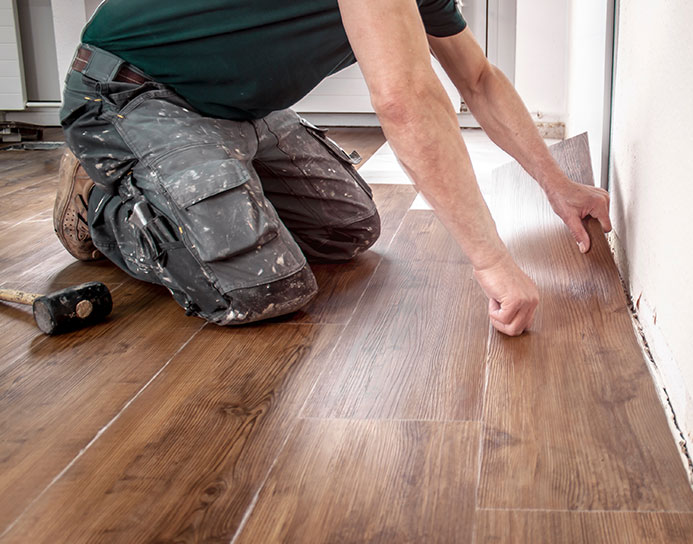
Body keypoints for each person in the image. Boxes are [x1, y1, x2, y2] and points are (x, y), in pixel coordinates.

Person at [54, 0, 611, 335]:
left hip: (240, 110)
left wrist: (557, 185)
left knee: (349, 227)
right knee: (263, 287)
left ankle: (199, 185)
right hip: (130, 92)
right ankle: (102, 202)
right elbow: (407, 102)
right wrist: (493, 261)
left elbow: (479, 80)